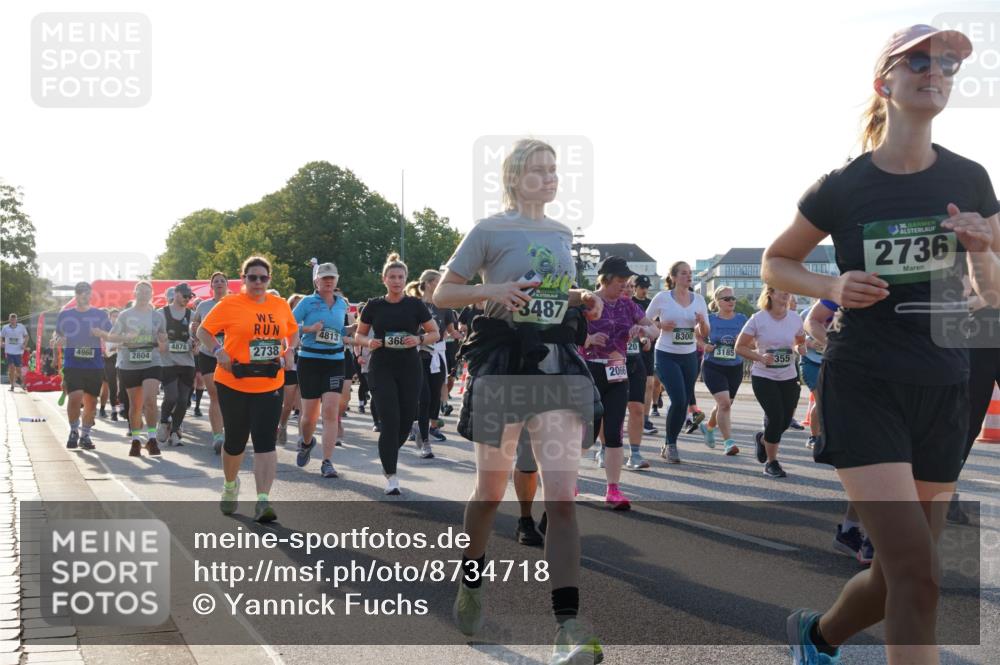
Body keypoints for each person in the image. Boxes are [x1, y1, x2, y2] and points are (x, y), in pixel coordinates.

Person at [762, 25, 999, 664]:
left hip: (944, 385)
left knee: (906, 574)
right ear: (884, 83)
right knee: (919, 578)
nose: (936, 71)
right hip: (865, 382)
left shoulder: (972, 179)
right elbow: (776, 263)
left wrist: (982, 249)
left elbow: (992, 296)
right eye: (918, 61)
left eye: (947, 63)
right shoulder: (842, 187)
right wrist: (831, 282)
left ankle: (815, 638)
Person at [434, 138, 604, 663]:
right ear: (514, 178)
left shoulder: (559, 233)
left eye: (554, 170)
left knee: (563, 499)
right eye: (539, 170)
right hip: (504, 365)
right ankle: (472, 577)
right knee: (489, 492)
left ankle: (567, 627)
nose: (550, 178)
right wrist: (492, 293)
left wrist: (583, 299)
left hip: (554, 362)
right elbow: (442, 292)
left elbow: (551, 292)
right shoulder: (488, 230)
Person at [196, 256, 299, 522]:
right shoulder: (229, 304)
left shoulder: (279, 305)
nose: (257, 282)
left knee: (265, 441)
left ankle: (263, 500)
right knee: (236, 440)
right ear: (243, 279)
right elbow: (203, 332)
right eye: (252, 277)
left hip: (270, 382)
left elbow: (292, 331)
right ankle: (230, 486)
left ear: (269, 280)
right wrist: (218, 351)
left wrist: (289, 350)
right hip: (234, 381)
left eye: (262, 278)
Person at [355, 254, 439, 494]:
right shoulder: (374, 305)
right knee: (390, 422)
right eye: (392, 277)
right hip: (381, 367)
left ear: (405, 279)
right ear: (384, 279)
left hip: (409, 368)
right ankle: (391, 476)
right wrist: (369, 343)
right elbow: (360, 335)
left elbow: (435, 333)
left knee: (404, 423)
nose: (396, 281)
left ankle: (389, 449)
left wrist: (419, 338)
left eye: (400, 277)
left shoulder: (415, 305)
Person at [584, 256, 658, 506]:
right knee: (586, 433)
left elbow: (655, 330)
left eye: (627, 280)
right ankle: (568, 482)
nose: (624, 285)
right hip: (590, 371)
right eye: (620, 280)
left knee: (614, 431)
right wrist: (588, 340)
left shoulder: (628, 306)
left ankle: (613, 490)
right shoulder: (588, 301)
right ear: (605, 280)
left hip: (618, 371)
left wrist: (643, 331)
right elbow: (567, 333)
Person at [736, 287, 807, 478]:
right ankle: (771, 462)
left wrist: (801, 347)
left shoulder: (795, 318)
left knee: (784, 421)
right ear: (770, 293)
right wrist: (759, 356)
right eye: (781, 290)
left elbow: (800, 340)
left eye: (787, 290)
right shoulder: (758, 319)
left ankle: (762, 440)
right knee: (775, 417)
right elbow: (739, 347)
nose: (786, 293)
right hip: (764, 376)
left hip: (789, 376)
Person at [645, 261, 710, 463]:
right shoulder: (662, 298)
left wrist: (701, 324)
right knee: (680, 399)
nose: (688, 276)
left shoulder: (698, 300)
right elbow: (644, 321)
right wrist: (660, 324)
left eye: (690, 273)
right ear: (673, 277)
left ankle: (668, 443)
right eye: (683, 273)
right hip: (666, 354)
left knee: (682, 402)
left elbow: (705, 332)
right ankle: (671, 444)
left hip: (689, 355)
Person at [95, 281, 167, 457]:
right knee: (135, 405)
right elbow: (111, 339)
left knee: (150, 400)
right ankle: (135, 440)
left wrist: (162, 341)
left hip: (152, 361)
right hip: (129, 363)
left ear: (151, 294)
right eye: (140, 291)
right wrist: (126, 338)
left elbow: (164, 343)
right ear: (135, 294)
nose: (143, 294)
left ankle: (151, 439)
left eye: (146, 291)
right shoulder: (125, 315)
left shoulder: (158, 317)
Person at [292, 263, 348, 478]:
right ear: (316, 281)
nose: (328, 281)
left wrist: (359, 331)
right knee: (309, 417)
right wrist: (309, 329)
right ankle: (306, 442)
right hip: (310, 361)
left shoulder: (342, 303)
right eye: (324, 278)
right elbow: (288, 325)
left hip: (335, 360)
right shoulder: (307, 302)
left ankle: (327, 461)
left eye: (332, 277)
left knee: (331, 412)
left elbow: (341, 330)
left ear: (337, 280)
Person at [53, 282, 112, 450]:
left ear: (90, 295)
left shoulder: (99, 315)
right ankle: (73, 431)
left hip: (94, 365)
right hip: (73, 363)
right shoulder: (65, 315)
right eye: (80, 293)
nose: (84, 296)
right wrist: (58, 339)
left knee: (91, 402)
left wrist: (101, 333)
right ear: (76, 295)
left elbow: (111, 334)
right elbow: (58, 334)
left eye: (87, 293)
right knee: (74, 398)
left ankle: (85, 435)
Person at [699, 285, 748, 455]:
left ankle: (708, 426)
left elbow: (753, 341)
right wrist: (704, 345)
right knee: (724, 404)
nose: (731, 301)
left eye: (733, 298)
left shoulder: (742, 319)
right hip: (713, 366)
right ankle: (729, 443)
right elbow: (696, 334)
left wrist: (743, 343)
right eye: (727, 299)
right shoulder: (710, 319)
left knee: (725, 404)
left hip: (735, 366)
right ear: (718, 302)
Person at [407, 269, 452, 455]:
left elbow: (448, 331)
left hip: (437, 357)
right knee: (423, 398)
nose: (440, 285)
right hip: (417, 356)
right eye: (437, 282)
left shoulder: (444, 306)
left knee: (435, 399)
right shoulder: (414, 305)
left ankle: (421, 427)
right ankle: (425, 442)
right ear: (427, 283)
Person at [191, 272, 230, 454]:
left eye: (222, 281)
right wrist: (194, 334)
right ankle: (217, 436)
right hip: (208, 355)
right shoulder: (204, 305)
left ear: (227, 285)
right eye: (216, 281)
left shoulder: (234, 303)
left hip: (230, 355)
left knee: (230, 395)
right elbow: (196, 326)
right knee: (214, 394)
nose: (219, 283)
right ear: (211, 286)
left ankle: (230, 430)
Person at [157, 283, 197, 446]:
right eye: (185, 296)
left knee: (183, 400)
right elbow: (154, 335)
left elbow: (199, 336)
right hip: (168, 362)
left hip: (187, 362)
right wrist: (160, 342)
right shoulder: (161, 313)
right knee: (171, 396)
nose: (188, 299)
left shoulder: (192, 315)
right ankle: (164, 421)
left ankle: (175, 430)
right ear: (177, 294)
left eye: (190, 297)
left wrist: (196, 343)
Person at [621, 279, 652, 469]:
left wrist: (645, 336)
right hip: (612, 364)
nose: (629, 290)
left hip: (635, 361)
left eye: (631, 287)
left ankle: (635, 453)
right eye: (625, 286)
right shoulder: (604, 305)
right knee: (611, 412)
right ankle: (605, 449)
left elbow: (650, 329)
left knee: (637, 409)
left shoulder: (635, 308)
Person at [629, 275, 659, 435]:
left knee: (649, 383)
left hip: (647, 348)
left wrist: (652, 331)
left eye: (646, 287)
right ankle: (629, 416)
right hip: (629, 347)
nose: (644, 290)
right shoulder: (629, 302)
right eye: (641, 287)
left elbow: (657, 325)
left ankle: (645, 419)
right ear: (634, 287)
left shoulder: (650, 304)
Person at [278, 293, 304, 446]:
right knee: (287, 405)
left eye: (301, 304)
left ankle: (302, 438)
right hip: (290, 367)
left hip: (306, 365)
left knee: (303, 406)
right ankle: (282, 425)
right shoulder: (285, 321)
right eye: (296, 305)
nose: (299, 307)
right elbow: (281, 341)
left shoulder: (312, 321)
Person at [101, 309, 122, 421]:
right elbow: (106, 350)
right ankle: (113, 411)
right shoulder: (105, 330)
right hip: (109, 360)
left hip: (121, 358)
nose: (116, 318)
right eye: (114, 316)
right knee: (111, 386)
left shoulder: (123, 329)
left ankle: (122, 407)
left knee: (122, 385)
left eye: (118, 316)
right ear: (109, 317)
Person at [1, 313, 30, 391]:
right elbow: (1, 336)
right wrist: (1, 343)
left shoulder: (21, 327)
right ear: (9, 319)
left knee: (18, 369)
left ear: (16, 320)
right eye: (11, 319)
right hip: (9, 351)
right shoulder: (5, 327)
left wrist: (24, 345)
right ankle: (12, 385)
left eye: (14, 319)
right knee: (11, 368)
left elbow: (27, 336)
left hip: (18, 352)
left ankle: (23, 384)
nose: (13, 321)